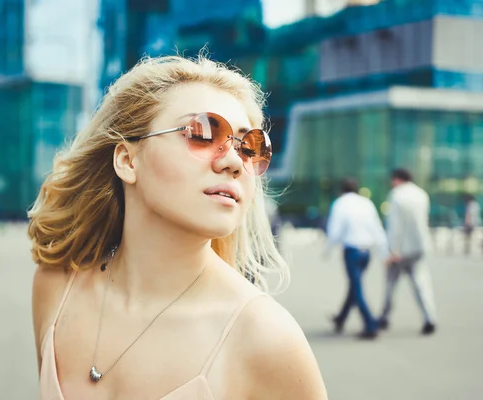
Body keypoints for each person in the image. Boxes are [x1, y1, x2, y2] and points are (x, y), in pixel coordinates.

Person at [29, 54, 328, 399]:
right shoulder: (56, 287)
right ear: (128, 160)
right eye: (202, 132)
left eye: (250, 147)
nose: (233, 161)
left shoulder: (265, 338)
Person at [324, 178, 388, 339]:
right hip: (366, 252)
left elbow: (335, 230)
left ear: (342, 189)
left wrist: (328, 249)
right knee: (355, 286)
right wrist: (384, 252)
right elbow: (377, 228)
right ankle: (341, 318)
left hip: (351, 252)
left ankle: (370, 324)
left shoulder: (340, 204)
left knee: (357, 288)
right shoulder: (366, 203)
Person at [378, 168, 438, 335]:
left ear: (397, 179)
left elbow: (395, 226)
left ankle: (384, 317)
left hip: (400, 250)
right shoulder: (421, 194)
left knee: (390, 285)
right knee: (421, 284)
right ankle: (429, 318)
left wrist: (393, 250)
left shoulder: (397, 196)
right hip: (419, 247)